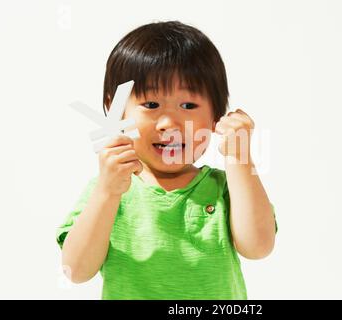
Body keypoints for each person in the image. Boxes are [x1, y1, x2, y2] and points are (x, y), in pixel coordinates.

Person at [56, 20, 277, 299]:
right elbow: (75, 271)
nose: (169, 123)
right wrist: (107, 193)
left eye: (188, 105)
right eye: (151, 105)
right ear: (116, 112)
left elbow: (258, 247)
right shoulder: (109, 189)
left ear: (216, 116)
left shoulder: (225, 188)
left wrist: (241, 159)